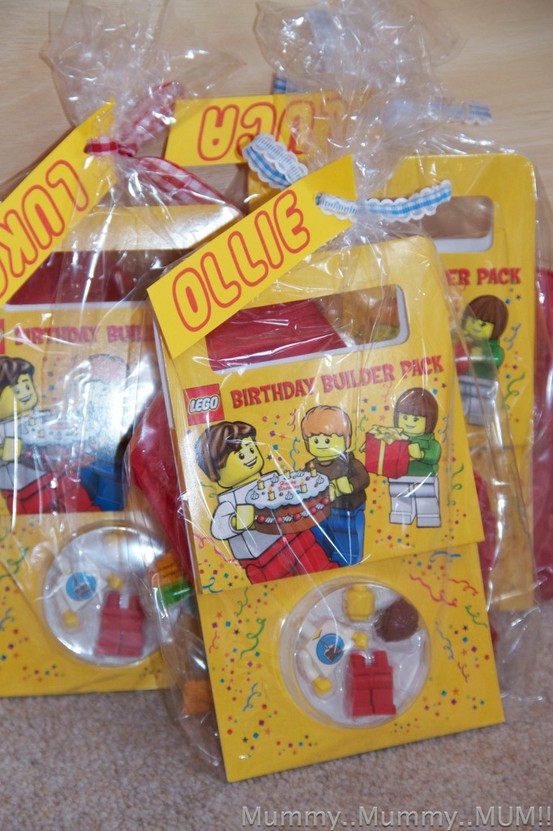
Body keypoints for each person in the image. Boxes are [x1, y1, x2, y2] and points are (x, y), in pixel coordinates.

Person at [194, 420, 335, 584]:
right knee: (280, 587)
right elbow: (218, 528)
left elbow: (295, 492)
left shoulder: (273, 481)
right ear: (215, 472)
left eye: (251, 449)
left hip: (296, 536)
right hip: (264, 557)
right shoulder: (230, 502)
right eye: (241, 455)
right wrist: (235, 522)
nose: (250, 457)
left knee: (320, 566)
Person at [301, 405, 369, 566]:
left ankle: (348, 563)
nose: (321, 445)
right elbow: (303, 483)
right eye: (315, 440)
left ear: (346, 440)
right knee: (319, 539)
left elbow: (363, 477)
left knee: (348, 543)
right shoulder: (310, 467)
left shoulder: (349, 462)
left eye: (328, 440)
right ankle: (325, 560)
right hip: (320, 513)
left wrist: (350, 486)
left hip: (347, 512)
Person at [388, 388, 441, 527]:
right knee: (400, 502)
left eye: (416, 419)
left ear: (429, 421)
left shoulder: (428, 441)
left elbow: (435, 453)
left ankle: (428, 519)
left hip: (424, 478)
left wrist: (422, 455)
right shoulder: (395, 438)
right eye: (405, 417)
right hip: (399, 478)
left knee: (426, 501)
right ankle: (400, 518)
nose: (409, 422)